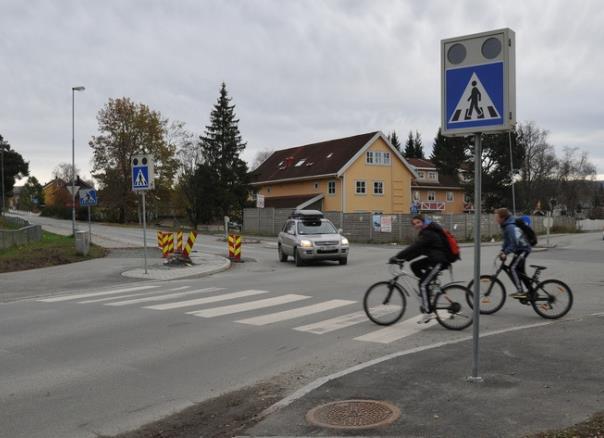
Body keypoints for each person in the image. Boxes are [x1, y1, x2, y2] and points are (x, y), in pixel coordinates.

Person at [389, 214, 450, 323]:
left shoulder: (428, 233)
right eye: (414, 224)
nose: (416, 225)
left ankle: (428, 313)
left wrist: (398, 256)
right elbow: (419, 251)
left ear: (423, 222)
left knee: (422, 284)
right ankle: (427, 288)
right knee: (414, 266)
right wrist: (404, 260)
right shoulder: (426, 232)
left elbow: (414, 247)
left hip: (438, 261)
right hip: (434, 259)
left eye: (418, 222)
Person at [495, 207, 532, 298]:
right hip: (520, 249)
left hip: (523, 249)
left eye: (497, 217)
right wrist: (502, 251)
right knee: (520, 271)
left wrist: (505, 253)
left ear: (502, 218)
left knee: (512, 268)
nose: (495, 219)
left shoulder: (510, 227)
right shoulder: (506, 225)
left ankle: (520, 291)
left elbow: (513, 243)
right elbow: (506, 241)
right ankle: (532, 292)